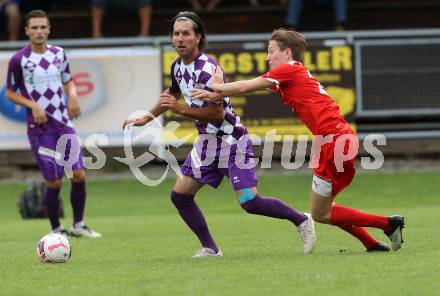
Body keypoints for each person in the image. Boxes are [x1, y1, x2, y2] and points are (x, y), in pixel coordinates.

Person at [192, 28, 405, 253]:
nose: (267, 57)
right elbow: (246, 90)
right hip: (333, 139)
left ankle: (388, 224)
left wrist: (216, 85)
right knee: (324, 209)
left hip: (334, 140)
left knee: (321, 213)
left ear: (287, 53)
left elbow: (245, 86)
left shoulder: (288, 70)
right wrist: (218, 93)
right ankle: (372, 243)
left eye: (271, 51)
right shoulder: (289, 76)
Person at [123, 11, 316, 257]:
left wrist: (180, 109)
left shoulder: (208, 67)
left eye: (186, 34)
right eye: (176, 34)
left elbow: (216, 113)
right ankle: (210, 249)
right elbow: (170, 96)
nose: (179, 39)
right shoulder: (178, 66)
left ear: (198, 37)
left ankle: (301, 220)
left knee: (250, 203)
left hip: (231, 141)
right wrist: (145, 118)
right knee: (180, 196)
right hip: (207, 144)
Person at [6, 10, 102, 238]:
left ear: (49, 29)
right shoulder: (19, 59)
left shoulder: (59, 54)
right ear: (27, 31)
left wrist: (74, 94)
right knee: (54, 180)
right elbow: (10, 92)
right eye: (34, 28)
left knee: (77, 174)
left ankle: (79, 225)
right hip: (40, 129)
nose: (39, 32)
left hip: (64, 123)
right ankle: (57, 229)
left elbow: (68, 81)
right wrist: (33, 105)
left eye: (43, 27)